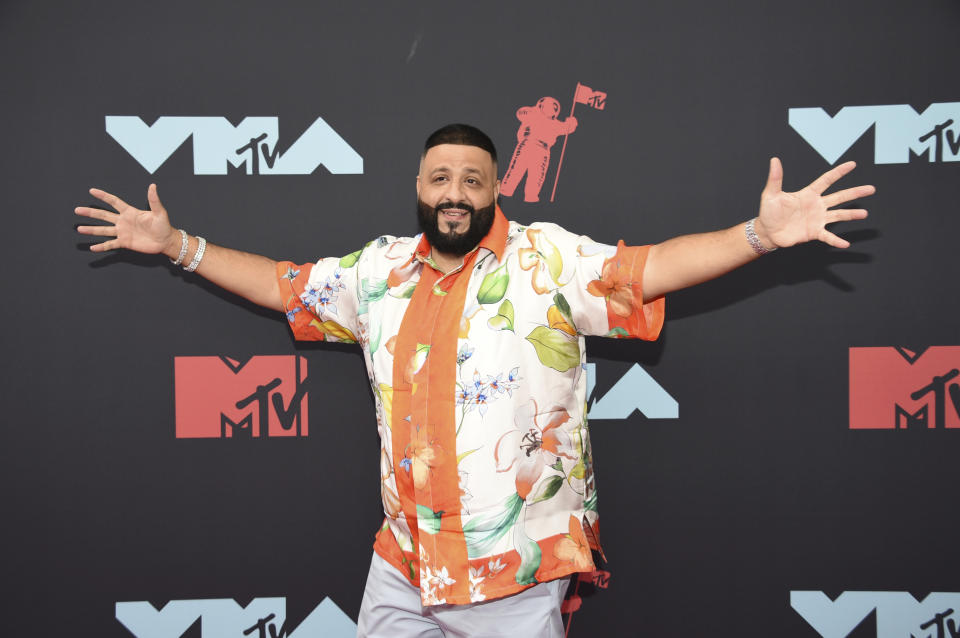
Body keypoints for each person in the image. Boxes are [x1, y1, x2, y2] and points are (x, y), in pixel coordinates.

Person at [75, 124, 873, 638]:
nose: (453, 192)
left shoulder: (547, 260)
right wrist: (177, 243)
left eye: (471, 179)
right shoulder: (377, 271)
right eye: (438, 178)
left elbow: (651, 267)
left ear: (495, 188)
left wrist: (759, 237)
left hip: (515, 572)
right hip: (403, 566)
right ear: (418, 188)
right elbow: (283, 285)